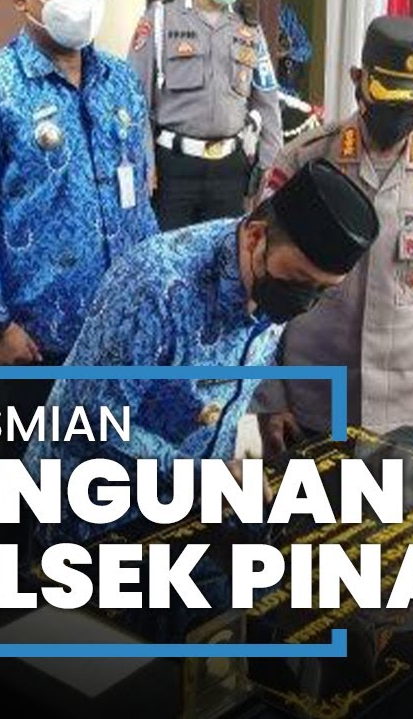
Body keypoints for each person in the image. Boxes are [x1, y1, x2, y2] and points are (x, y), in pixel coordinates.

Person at [25, 159, 379, 547]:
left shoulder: (270, 273)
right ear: (255, 237)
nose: (306, 302)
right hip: (90, 509)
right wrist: (202, 476)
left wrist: (268, 411)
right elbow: (92, 420)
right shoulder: (156, 286)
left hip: (187, 507)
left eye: (322, 291)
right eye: (299, 281)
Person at [0, 0, 159, 562]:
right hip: (29, 343)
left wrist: (153, 299)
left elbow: (138, 197)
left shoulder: (120, 82)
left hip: (117, 338)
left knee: (110, 480)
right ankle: (12, 597)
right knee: (21, 490)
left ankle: (96, 596)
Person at [251, 16, 413, 455]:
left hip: (407, 415)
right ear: (358, 80)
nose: (403, 116)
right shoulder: (303, 161)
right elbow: (260, 284)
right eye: (390, 99)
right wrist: (270, 396)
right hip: (310, 404)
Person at [130, 0, 283, 229]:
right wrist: (144, 160)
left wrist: (271, 162)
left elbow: (267, 100)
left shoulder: (249, 26)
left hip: (230, 171)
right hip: (174, 170)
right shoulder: (160, 18)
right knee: (173, 249)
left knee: (225, 247)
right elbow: (134, 97)